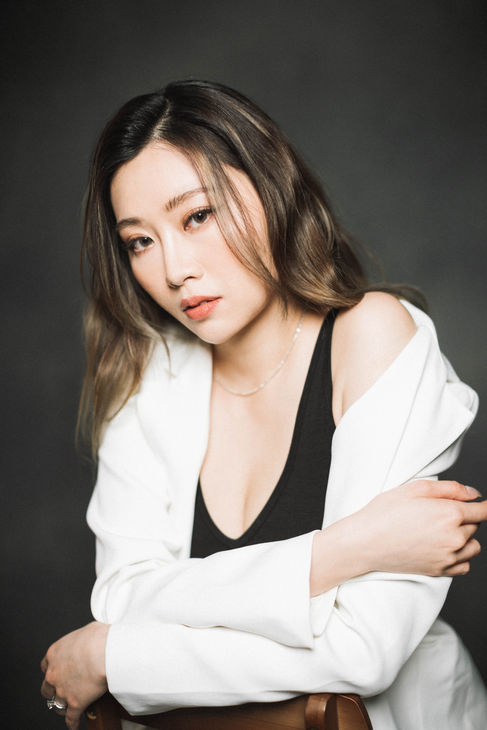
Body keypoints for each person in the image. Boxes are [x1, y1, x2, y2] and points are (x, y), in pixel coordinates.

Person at [40, 80, 487, 730]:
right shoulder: (150, 374)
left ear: (271, 187)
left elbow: (361, 653)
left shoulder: (371, 336)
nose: (174, 269)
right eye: (140, 241)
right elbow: (122, 598)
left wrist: (117, 658)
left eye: (197, 216)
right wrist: (342, 551)